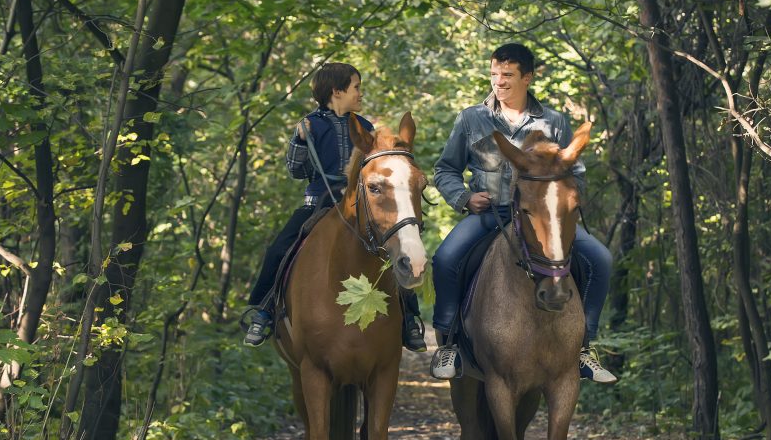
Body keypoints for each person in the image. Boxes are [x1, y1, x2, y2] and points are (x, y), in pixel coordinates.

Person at [429, 43, 616, 383]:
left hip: (543, 219)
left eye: (507, 76)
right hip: (491, 213)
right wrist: (465, 198)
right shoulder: (472, 118)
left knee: (599, 259)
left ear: (527, 78)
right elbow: (445, 170)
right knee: (445, 258)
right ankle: (449, 341)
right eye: (494, 74)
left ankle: (585, 346)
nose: (498, 83)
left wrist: (559, 201)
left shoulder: (554, 121)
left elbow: (578, 173)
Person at [243, 62, 426, 351]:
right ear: (337, 91)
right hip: (318, 204)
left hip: (357, 205)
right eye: (356, 87)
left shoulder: (365, 127)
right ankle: (263, 311)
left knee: (391, 247)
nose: (360, 93)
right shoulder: (310, 125)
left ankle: (408, 318)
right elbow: (295, 170)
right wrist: (299, 140)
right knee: (280, 248)